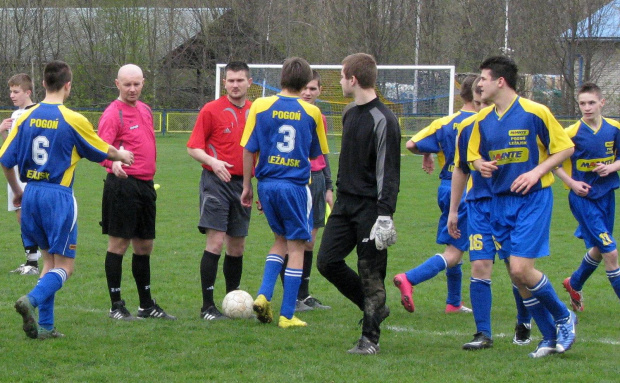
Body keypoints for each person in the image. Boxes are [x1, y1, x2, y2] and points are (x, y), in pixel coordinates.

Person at [0, 60, 134, 339]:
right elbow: (101, 149)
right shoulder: (73, 118)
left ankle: (46, 327)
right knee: (65, 267)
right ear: (68, 85)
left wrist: (17, 191)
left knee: (48, 262)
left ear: (44, 85)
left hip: (30, 194)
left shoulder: (24, 117)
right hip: (58, 196)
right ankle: (31, 300)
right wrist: (121, 155)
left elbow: (5, 159)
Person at [467, 56, 577, 358]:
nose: (479, 83)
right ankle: (549, 337)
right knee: (517, 276)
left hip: (532, 199)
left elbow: (565, 147)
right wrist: (482, 165)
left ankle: (564, 316)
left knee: (520, 268)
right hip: (499, 202)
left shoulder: (535, 111)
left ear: (500, 81)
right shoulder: (482, 119)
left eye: (483, 78)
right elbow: (472, 155)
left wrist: (536, 171)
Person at [316, 53, 401, 354]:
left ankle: (370, 340)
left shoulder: (385, 120)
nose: (339, 81)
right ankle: (374, 307)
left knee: (370, 272)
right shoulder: (350, 113)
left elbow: (388, 171)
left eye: (341, 76)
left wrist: (385, 215)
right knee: (327, 262)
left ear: (353, 79)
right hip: (344, 204)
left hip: (371, 208)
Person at [241, 57, 328, 329]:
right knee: (297, 246)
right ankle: (287, 314)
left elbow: (247, 148)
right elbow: (317, 153)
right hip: (294, 186)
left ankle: (264, 295)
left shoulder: (259, 104)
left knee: (279, 240)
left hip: (266, 184)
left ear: (281, 79)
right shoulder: (312, 112)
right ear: (305, 83)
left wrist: (247, 186)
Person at [448, 77, 532, 350]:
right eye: (479, 102)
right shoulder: (467, 129)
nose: (483, 107)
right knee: (480, 265)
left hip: (506, 205)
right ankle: (483, 333)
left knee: (516, 270)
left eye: (486, 102)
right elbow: (461, 170)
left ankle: (524, 319)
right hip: (478, 206)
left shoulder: (512, 124)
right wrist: (453, 210)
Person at [393, 75, 478, 315]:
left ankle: (453, 302)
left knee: (456, 244)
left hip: (446, 187)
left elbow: (411, 144)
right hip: (469, 190)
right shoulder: (484, 121)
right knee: (455, 252)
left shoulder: (445, 122)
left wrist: (428, 152)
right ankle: (409, 278)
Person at [99, 64, 175, 320]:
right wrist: (113, 162)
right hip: (122, 186)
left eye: (137, 84)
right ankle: (116, 305)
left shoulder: (145, 109)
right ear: (117, 84)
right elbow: (99, 149)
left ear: (143, 82)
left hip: (145, 185)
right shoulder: (112, 114)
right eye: (127, 84)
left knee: (144, 246)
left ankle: (146, 305)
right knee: (118, 245)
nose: (132, 89)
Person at [187, 61, 253, 320]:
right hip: (215, 183)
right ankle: (207, 307)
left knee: (237, 247)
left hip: (243, 185)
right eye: (231, 80)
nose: (235, 85)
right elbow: (193, 147)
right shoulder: (211, 110)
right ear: (224, 82)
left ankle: (232, 300)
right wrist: (213, 162)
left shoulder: (255, 111)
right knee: (215, 242)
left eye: (240, 80)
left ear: (249, 83)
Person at [553, 82, 620, 310]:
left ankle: (575, 282)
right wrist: (571, 183)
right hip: (583, 199)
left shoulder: (614, 128)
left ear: (602, 103)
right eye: (582, 103)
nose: (587, 107)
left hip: (607, 196)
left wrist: (612, 167)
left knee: (600, 250)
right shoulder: (571, 133)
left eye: (591, 102)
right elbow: (552, 162)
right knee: (611, 252)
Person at [285, 69, 332, 312]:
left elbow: (323, 153)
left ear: (319, 91)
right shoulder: (289, 113)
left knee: (310, 241)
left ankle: (303, 294)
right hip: (296, 179)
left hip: (317, 180)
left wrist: (329, 186)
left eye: (313, 88)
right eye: (305, 88)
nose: (308, 92)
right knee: (294, 239)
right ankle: (291, 295)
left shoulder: (319, 117)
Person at [0, 74, 41, 275]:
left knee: (29, 216)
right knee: (20, 217)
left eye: (16, 92)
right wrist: (3, 133)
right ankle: (31, 261)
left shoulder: (37, 112)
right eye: (11, 91)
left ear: (28, 92)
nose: (12, 95)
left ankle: (36, 262)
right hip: (13, 174)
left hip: (28, 174)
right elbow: (10, 149)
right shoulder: (16, 115)